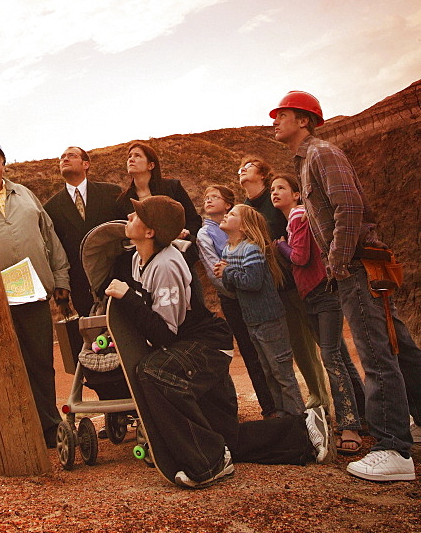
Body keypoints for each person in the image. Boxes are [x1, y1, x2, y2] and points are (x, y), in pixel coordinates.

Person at [105, 196, 329, 489]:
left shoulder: (167, 265)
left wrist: (129, 299)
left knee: (154, 371)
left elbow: (164, 335)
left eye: (137, 216)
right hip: (189, 347)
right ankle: (305, 431)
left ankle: (208, 463)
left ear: (150, 232)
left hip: (206, 346)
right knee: (225, 437)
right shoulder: (137, 259)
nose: (129, 218)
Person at [270, 90, 421, 482]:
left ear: (304, 119)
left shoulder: (321, 153)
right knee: (396, 344)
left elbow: (349, 207)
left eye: (282, 115)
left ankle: (393, 448)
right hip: (357, 264)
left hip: (356, 266)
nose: (275, 121)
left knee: (375, 351)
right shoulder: (306, 162)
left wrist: (337, 262)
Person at [0, 136, 71, 448]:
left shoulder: (25, 194)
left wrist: (61, 278)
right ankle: (16, 430)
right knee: (5, 364)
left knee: (40, 359)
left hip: (31, 287)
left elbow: (49, 235)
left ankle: (50, 427)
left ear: (3, 163)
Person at [271, 173, 363, 453]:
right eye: (273, 189)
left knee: (331, 356)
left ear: (297, 194)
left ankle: (349, 425)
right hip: (314, 294)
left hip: (322, 292)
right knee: (340, 355)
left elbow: (300, 257)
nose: (275, 192)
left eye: (282, 188)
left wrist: (280, 246)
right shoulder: (294, 219)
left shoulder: (298, 217)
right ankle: (363, 414)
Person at [238, 157, 330, 411]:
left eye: (250, 165)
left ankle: (353, 402)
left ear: (263, 173)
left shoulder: (275, 198)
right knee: (300, 348)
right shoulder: (246, 208)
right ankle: (318, 396)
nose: (243, 169)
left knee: (329, 345)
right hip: (278, 288)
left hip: (302, 280)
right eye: (240, 167)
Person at [214, 204, 312, 424]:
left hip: (269, 318)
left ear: (244, 226)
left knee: (281, 372)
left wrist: (227, 272)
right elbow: (233, 287)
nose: (226, 215)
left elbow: (252, 282)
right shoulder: (227, 250)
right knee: (268, 371)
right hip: (252, 320)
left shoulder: (251, 249)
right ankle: (282, 418)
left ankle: (299, 419)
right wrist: (225, 274)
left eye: (232, 214)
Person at [196, 185, 276, 418]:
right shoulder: (205, 233)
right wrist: (238, 286)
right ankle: (269, 407)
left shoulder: (240, 223)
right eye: (206, 197)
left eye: (215, 197)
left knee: (270, 348)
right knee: (251, 352)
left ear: (228, 204)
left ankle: (285, 403)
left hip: (258, 294)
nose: (209, 200)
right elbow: (214, 272)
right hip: (233, 298)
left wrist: (239, 275)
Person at [43, 147, 121, 316]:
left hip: (117, 278)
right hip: (81, 288)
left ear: (86, 164)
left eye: (71, 155)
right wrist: (61, 291)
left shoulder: (112, 193)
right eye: (62, 157)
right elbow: (55, 252)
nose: (65, 159)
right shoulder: (51, 208)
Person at [115, 141, 201, 241]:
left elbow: (193, 220)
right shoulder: (124, 200)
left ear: (151, 165)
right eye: (129, 156)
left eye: (137, 156)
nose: (131, 159)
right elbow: (123, 232)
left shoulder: (172, 187)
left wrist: (187, 235)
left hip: (178, 247)